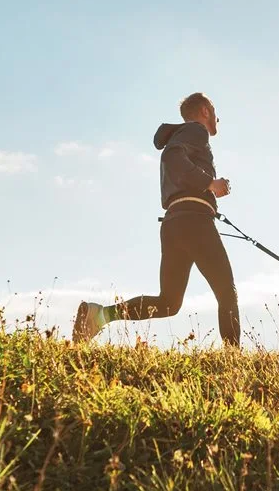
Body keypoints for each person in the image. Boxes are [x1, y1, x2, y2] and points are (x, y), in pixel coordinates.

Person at [72, 92, 241, 347]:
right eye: (214, 111)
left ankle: (100, 315)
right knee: (226, 291)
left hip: (175, 223)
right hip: (194, 222)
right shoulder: (196, 131)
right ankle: (232, 359)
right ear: (205, 111)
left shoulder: (183, 135)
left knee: (169, 303)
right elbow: (172, 157)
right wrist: (210, 183)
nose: (218, 118)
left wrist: (209, 189)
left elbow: (175, 160)